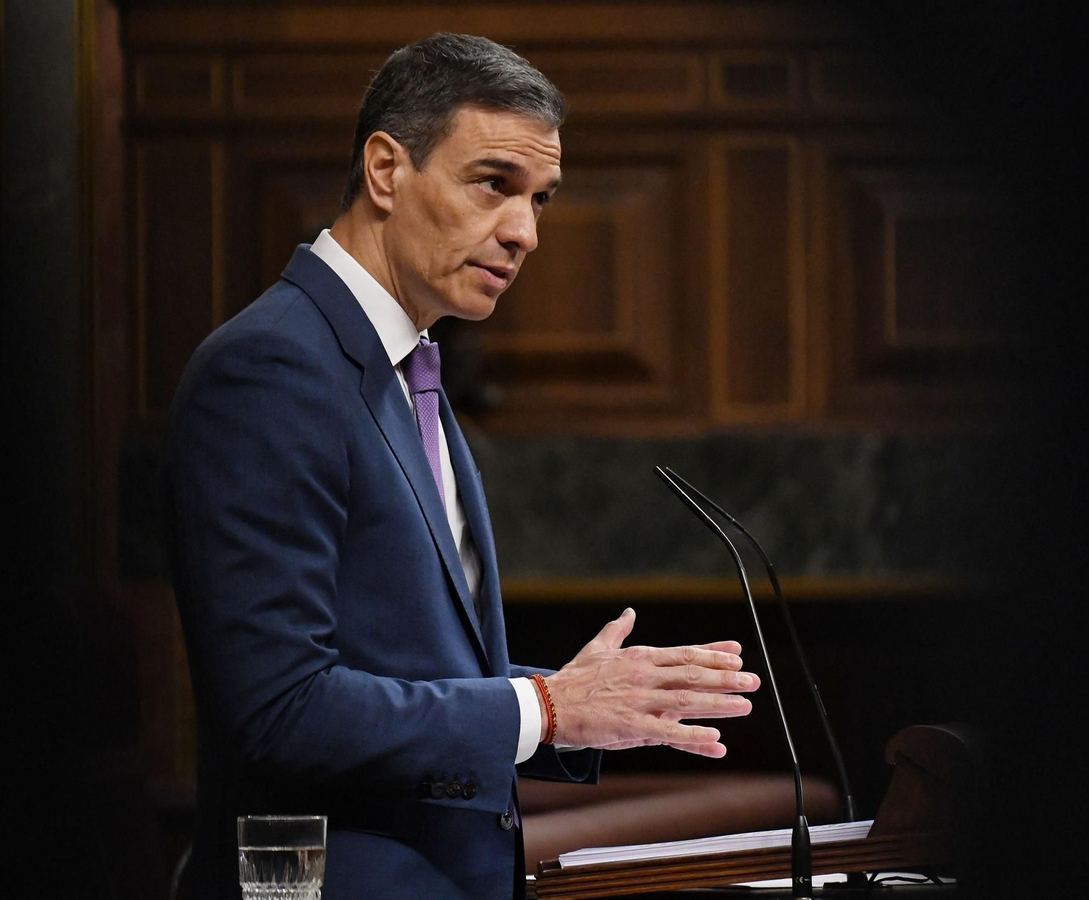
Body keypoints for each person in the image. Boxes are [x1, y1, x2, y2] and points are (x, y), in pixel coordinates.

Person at [165, 33, 761, 900]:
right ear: (384, 171)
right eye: (493, 185)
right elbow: (279, 709)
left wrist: (579, 698)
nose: (523, 232)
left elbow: (409, 667)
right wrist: (548, 710)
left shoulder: (405, 369)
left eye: (541, 199)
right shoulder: (273, 368)